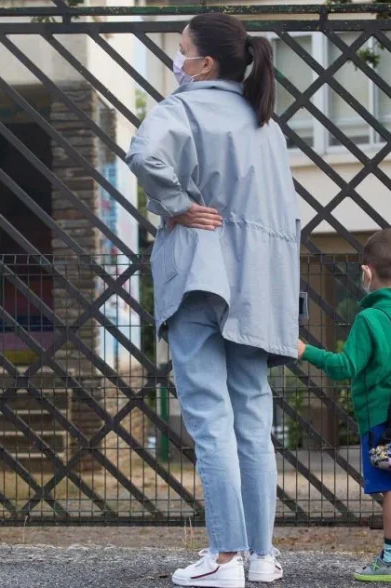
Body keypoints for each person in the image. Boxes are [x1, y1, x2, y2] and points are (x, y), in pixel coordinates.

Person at [125, 12, 300, 588]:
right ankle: (261, 555)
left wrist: (175, 203)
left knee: (209, 417)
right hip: (258, 287)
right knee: (252, 417)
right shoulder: (267, 125)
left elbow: (144, 153)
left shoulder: (184, 106)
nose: (178, 61)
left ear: (204, 63)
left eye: (182, 52)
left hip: (201, 276)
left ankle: (224, 558)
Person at [298, 229, 391, 583]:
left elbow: (345, 366)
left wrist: (306, 351)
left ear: (366, 272)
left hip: (382, 420)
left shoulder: (368, 319)